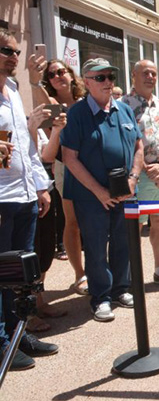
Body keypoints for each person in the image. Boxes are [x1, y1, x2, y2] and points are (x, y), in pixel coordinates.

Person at [60, 58, 143, 322]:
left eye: (110, 76)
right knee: (95, 247)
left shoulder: (124, 109)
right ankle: (101, 297)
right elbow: (70, 157)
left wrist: (133, 178)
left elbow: (139, 147)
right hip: (91, 195)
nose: (107, 82)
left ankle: (121, 288)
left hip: (125, 190)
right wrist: (98, 191)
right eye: (100, 78)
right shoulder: (77, 114)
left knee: (124, 242)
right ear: (87, 82)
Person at [0, 30, 59, 369]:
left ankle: (17, 333)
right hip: (1, 202)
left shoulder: (12, 91)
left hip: (22, 197)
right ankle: (1, 343)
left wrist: (39, 186)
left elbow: (24, 144)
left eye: (16, 51)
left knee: (16, 275)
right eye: (6, 50)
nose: (13, 56)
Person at [121, 60, 159, 288]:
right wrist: (141, 169)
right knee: (133, 225)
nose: (150, 77)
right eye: (145, 73)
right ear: (133, 76)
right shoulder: (122, 106)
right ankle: (128, 276)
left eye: (154, 73)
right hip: (138, 176)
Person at [27, 58, 87, 296]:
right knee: (71, 223)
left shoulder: (86, 100)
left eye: (62, 71)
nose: (58, 76)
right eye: (51, 75)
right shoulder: (51, 104)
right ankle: (79, 274)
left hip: (93, 165)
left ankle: (98, 271)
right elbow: (45, 103)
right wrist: (34, 82)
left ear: (71, 74)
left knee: (94, 224)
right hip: (66, 166)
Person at [29, 105, 68, 331]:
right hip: (23, 192)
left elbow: (45, 156)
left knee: (45, 247)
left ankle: (39, 300)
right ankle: (28, 311)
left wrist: (55, 130)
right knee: (31, 250)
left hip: (43, 186)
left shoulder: (19, 103)